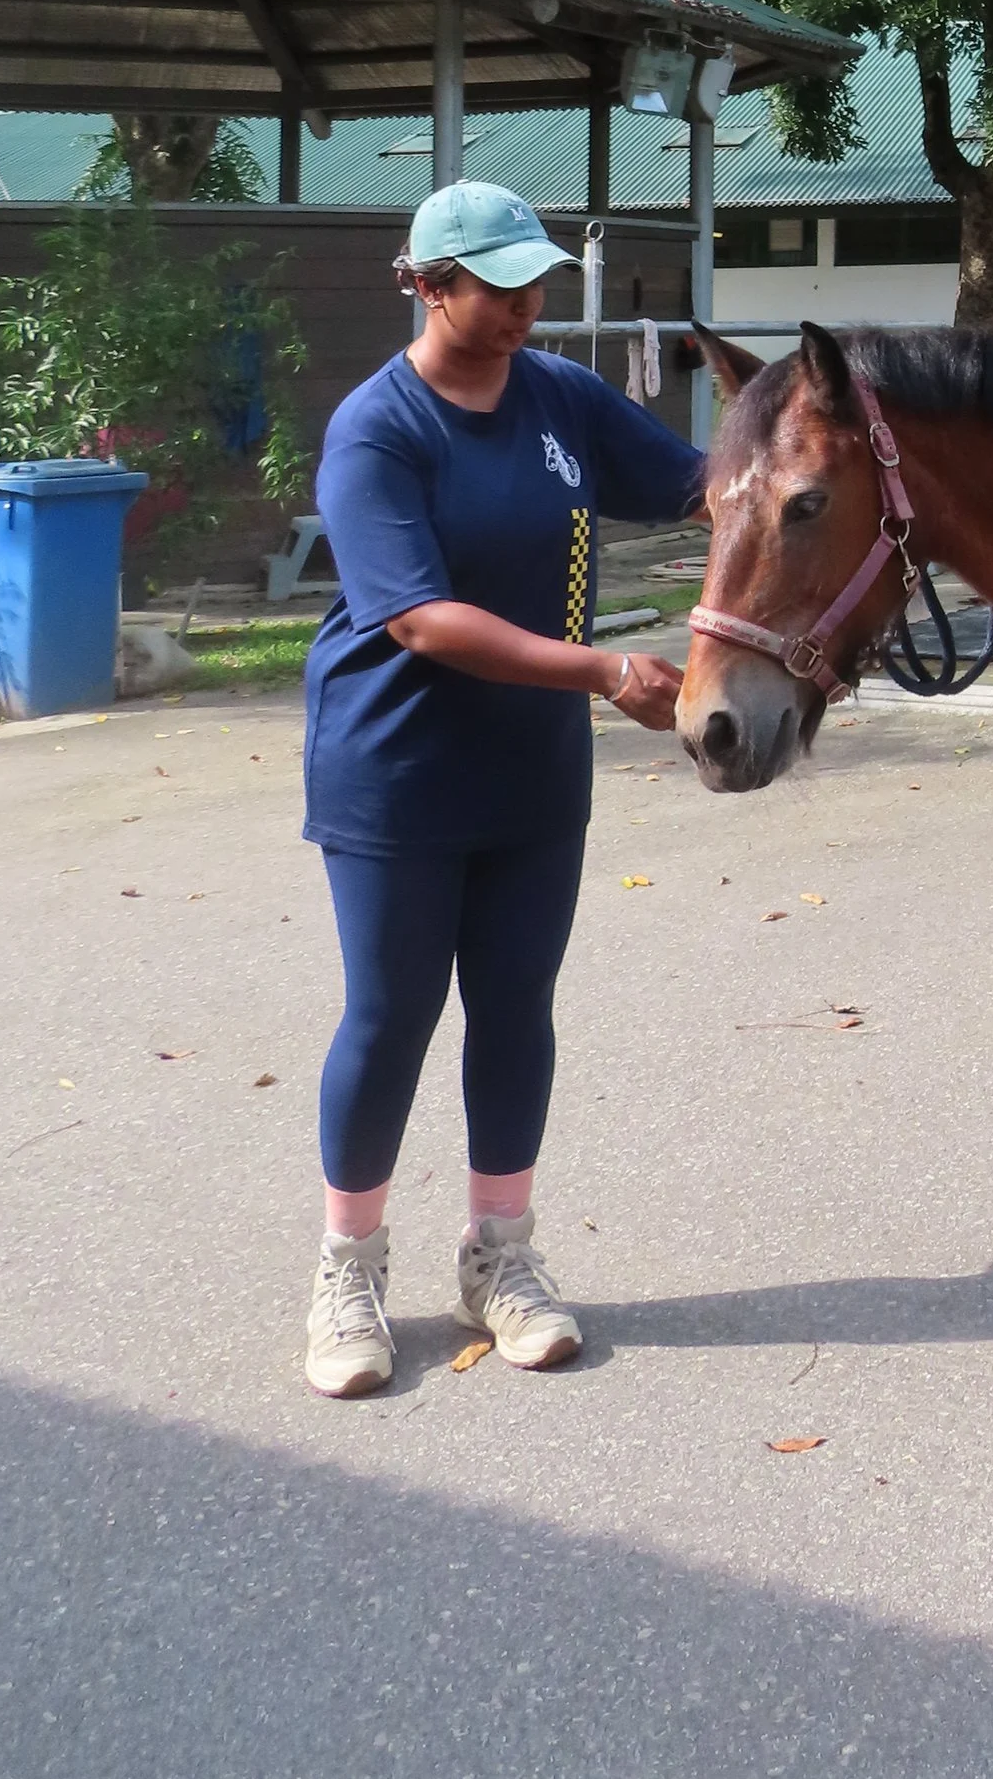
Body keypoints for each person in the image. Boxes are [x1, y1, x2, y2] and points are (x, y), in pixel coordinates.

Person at [298, 181, 700, 1399]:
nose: (527, 304)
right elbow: (419, 620)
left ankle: (499, 1255)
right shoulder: (380, 429)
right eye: (498, 284)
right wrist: (604, 669)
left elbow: (693, 482)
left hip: (533, 770)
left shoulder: (561, 397)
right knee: (391, 1015)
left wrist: (807, 454)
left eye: (534, 281)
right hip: (398, 771)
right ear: (428, 284)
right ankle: (348, 1267)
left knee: (517, 1005)